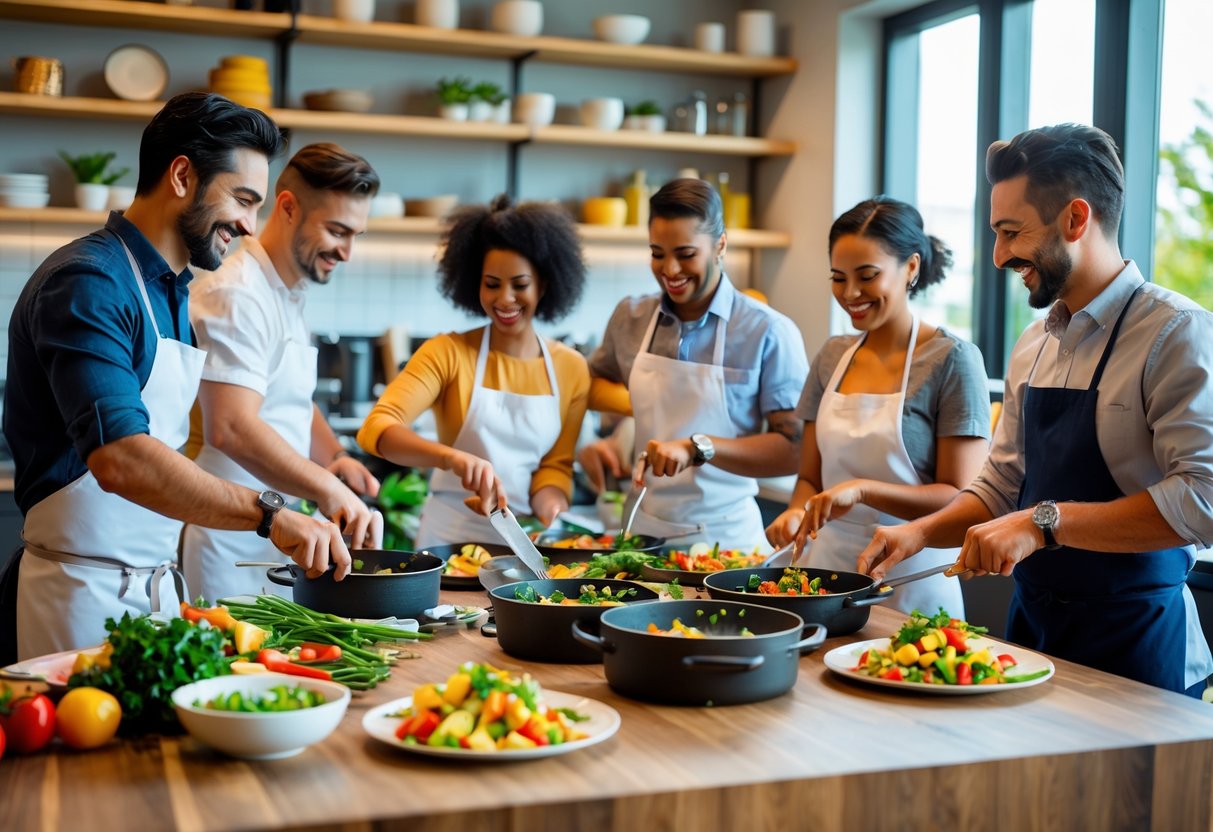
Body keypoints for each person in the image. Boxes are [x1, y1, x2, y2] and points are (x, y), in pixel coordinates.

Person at [857, 123, 1213, 697]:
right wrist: (920, 533)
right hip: (1033, 634)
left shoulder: (1177, 334)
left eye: (1010, 232)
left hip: (1139, 645)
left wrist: (1042, 523)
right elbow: (1002, 483)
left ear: (1076, 219)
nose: (998, 255)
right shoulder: (1034, 343)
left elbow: (1205, 499)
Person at [0, 93, 352, 663]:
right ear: (183, 175)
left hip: (153, 591)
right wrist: (269, 512)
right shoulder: (89, 281)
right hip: (77, 600)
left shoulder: (172, 291)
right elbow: (123, 459)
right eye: (242, 199)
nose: (248, 225)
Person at [765, 197, 990, 616]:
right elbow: (810, 477)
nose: (850, 293)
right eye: (838, 278)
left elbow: (960, 495)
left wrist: (864, 490)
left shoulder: (952, 359)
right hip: (824, 578)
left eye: (867, 276)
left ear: (911, 268)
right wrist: (797, 511)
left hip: (910, 581)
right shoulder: (832, 356)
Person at [182, 143, 382, 603]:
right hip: (228, 540)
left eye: (356, 234)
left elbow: (286, 397)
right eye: (337, 230)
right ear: (288, 207)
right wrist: (327, 488)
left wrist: (334, 458)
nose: (347, 251)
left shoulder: (287, 291)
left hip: (281, 531)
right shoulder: (238, 293)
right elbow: (231, 427)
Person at [585, 178, 808, 546]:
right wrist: (614, 439)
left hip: (726, 541)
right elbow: (594, 386)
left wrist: (697, 446)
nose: (670, 269)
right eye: (658, 253)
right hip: (641, 535)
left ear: (720, 244)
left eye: (686, 254)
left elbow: (796, 450)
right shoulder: (631, 317)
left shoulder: (767, 331)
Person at [357, 195, 589, 546]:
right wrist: (452, 459)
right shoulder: (447, 353)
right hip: (448, 541)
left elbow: (555, 467)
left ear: (544, 283)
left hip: (523, 542)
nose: (505, 299)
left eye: (520, 284)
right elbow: (377, 429)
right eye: (492, 284)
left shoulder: (570, 368)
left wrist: (550, 508)